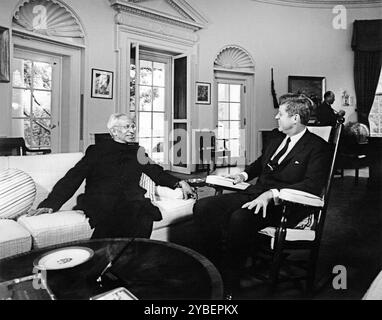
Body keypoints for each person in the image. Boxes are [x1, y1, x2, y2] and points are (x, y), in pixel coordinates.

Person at [193, 94, 331, 296]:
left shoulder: (317, 147)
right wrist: (243, 175)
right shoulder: (276, 138)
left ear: (295, 118)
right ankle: (214, 269)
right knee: (203, 207)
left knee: (239, 218)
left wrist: (272, 194)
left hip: (286, 204)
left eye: (281, 114)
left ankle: (230, 281)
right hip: (255, 193)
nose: (276, 117)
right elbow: (260, 163)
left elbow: (313, 184)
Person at [29, 113, 195, 239]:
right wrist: (51, 204)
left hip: (131, 200)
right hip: (102, 200)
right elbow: (74, 177)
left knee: (143, 212)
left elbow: (155, 172)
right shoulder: (96, 151)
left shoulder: (138, 152)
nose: (132, 130)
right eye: (127, 127)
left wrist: (179, 183)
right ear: (114, 131)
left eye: (133, 126)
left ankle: (132, 260)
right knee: (125, 213)